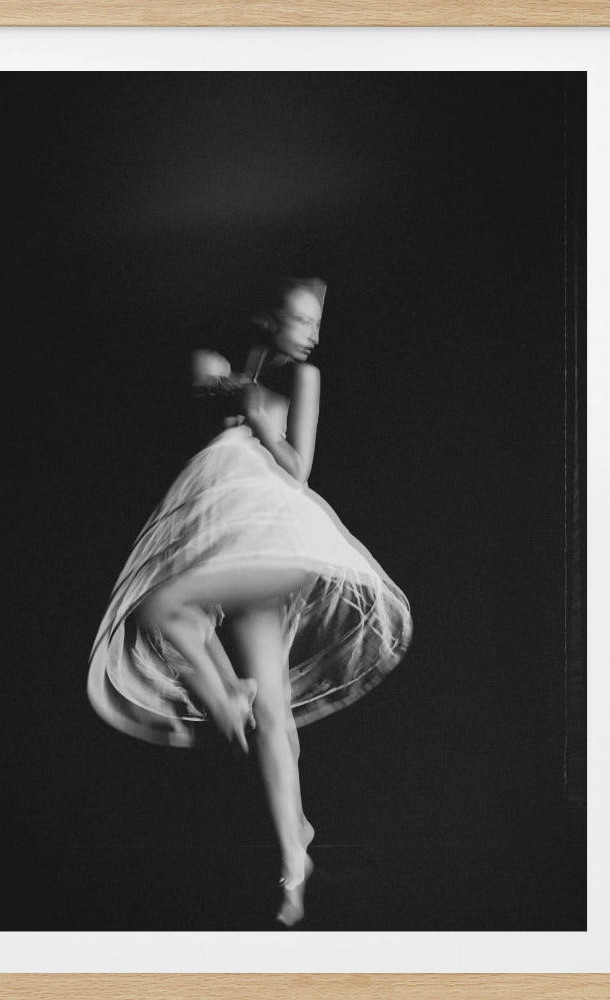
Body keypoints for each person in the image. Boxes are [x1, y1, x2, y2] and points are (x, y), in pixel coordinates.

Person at [88, 277, 412, 927]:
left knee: (160, 608)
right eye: (300, 318)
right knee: (274, 721)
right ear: (270, 318)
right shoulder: (249, 367)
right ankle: (295, 857)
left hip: (281, 545)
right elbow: (209, 429)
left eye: (317, 320)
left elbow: (296, 469)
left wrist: (251, 407)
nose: (312, 331)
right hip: (234, 547)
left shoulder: (304, 376)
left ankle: (222, 696)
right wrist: (218, 385)